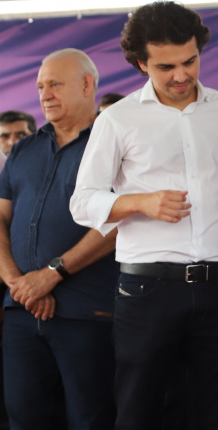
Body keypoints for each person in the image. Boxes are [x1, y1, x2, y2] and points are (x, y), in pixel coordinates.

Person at [69, 0, 218, 430]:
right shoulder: (118, 119)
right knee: (139, 411)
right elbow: (82, 201)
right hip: (146, 290)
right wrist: (139, 202)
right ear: (141, 63)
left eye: (190, 61)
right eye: (166, 67)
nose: (181, 75)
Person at [0, 49, 119, 430]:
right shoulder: (23, 149)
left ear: (87, 84)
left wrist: (51, 275)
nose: (44, 94)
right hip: (21, 312)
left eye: (55, 84)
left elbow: (118, 224)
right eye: (40, 86)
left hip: (87, 313)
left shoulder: (114, 145)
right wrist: (21, 285)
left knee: (90, 418)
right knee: (24, 416)